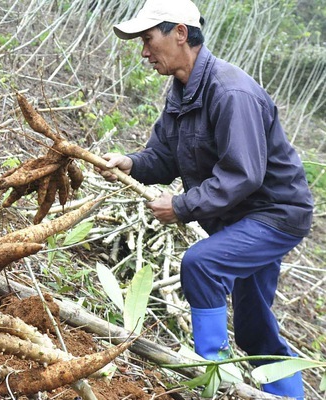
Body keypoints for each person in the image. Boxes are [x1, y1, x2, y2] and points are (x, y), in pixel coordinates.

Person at [101, 0, 314, 398]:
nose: (144, 52)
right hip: (239, 219)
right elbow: (165, 157)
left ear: (180, 32)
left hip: (274, 215)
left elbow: (243, 173)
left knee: (201, 263)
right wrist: (129, 162)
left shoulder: (231, 92)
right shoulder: (180, 93)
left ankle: (210, 379)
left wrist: (180, 207)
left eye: (148, 39)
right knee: (254, 331)